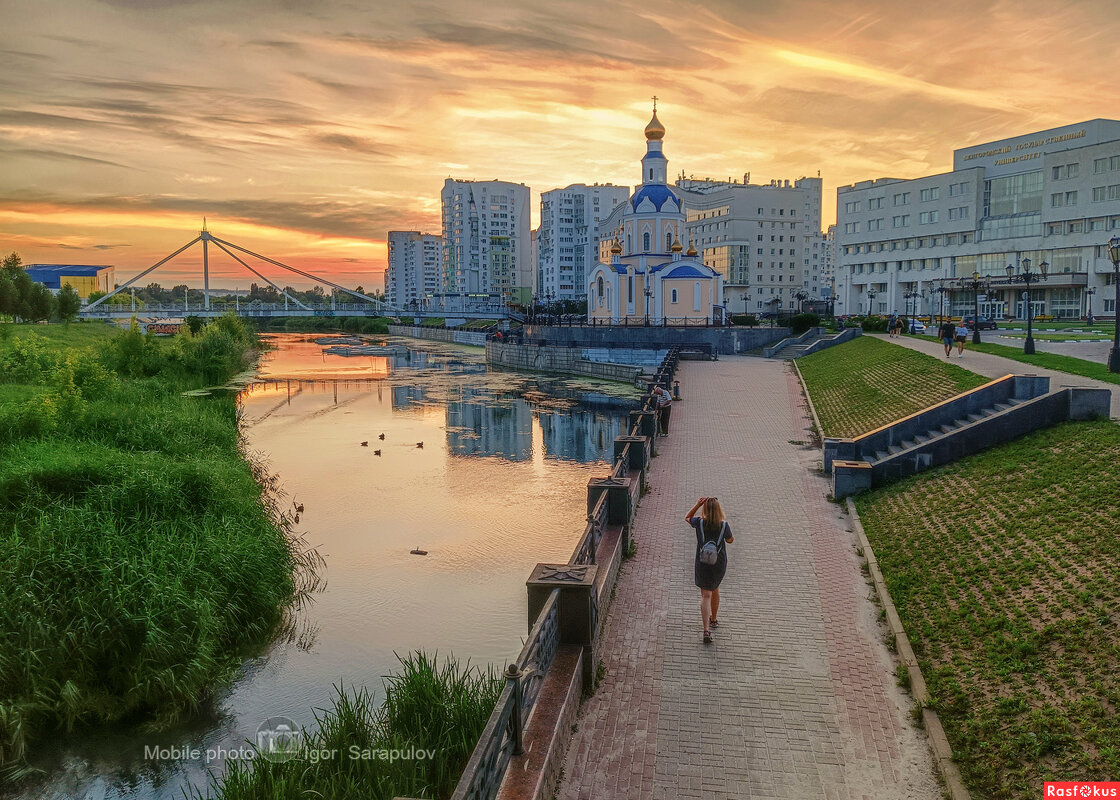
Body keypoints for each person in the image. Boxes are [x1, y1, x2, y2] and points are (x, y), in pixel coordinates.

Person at [685, 496, 733, 644]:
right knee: (715, 588)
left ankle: (706, 630)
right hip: (718, 563)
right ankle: (714, 620)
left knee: (706, 595)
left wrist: (697, 504)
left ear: (704, 510)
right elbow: (730, 540)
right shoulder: (724, 525)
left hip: (703, 562)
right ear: (719, 510)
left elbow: (687, 517)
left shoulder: (699, 523)